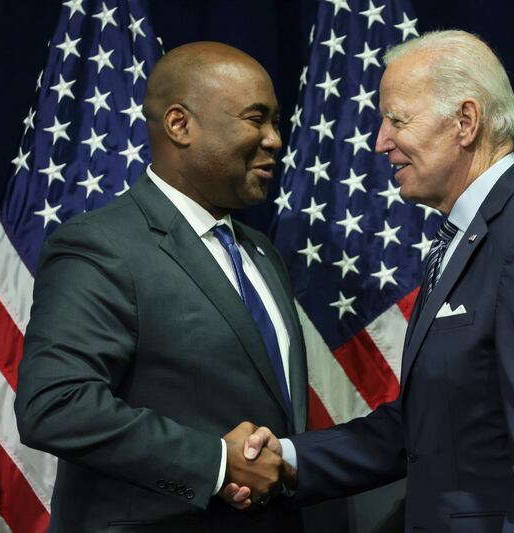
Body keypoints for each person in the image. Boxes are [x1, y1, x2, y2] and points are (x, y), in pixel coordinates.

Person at [241, 30, 514, 532]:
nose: (380, 141)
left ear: (466, 122)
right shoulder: (467, 238)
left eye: (397, 120)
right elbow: (423, 429)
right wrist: (286, 457)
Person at [15, 42, 305, 532]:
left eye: (276, 122)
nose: (275, 140)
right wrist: (216, 464)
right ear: (179, 124)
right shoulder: (101, 245)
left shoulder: (260, 251)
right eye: (256, 119)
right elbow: (55, 406)